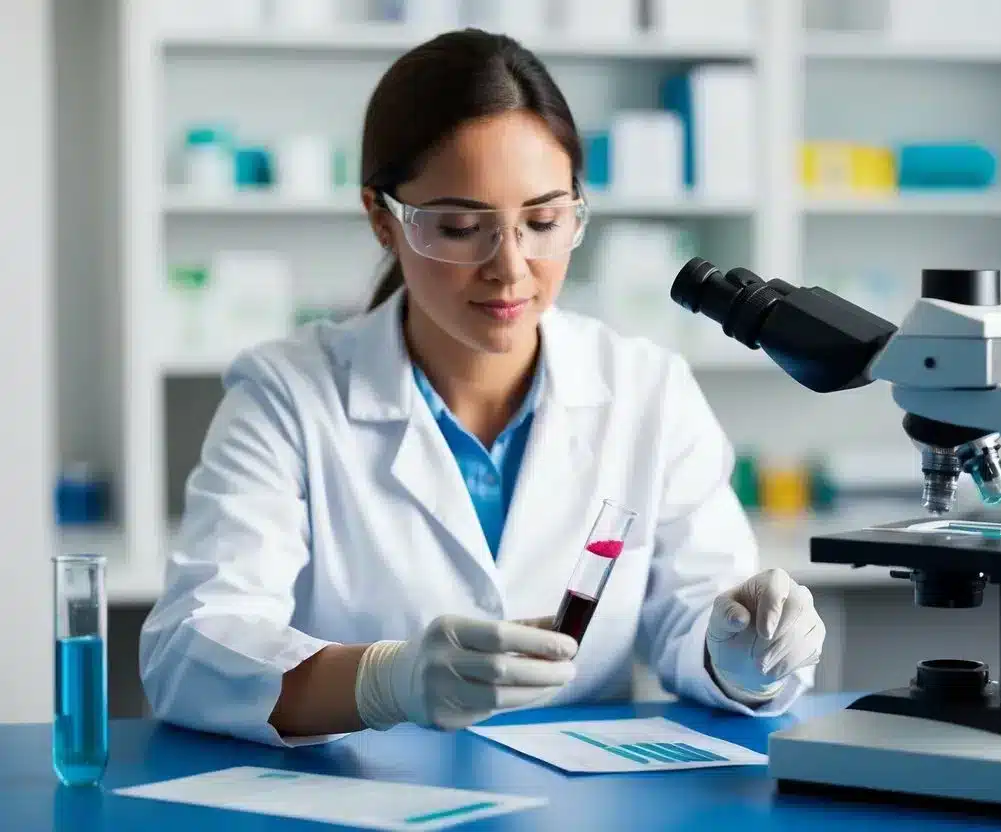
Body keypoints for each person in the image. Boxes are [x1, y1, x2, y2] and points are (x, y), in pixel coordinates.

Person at [138, 28, 826, 747]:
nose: (510, 267)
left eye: (543, 220)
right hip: (364, 799)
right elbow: (191, 652)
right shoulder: (288, 395)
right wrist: (384, 681)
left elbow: (696, 620)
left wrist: (743, 654)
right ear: (382, 218)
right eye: (462, 226)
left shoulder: (647, 390)